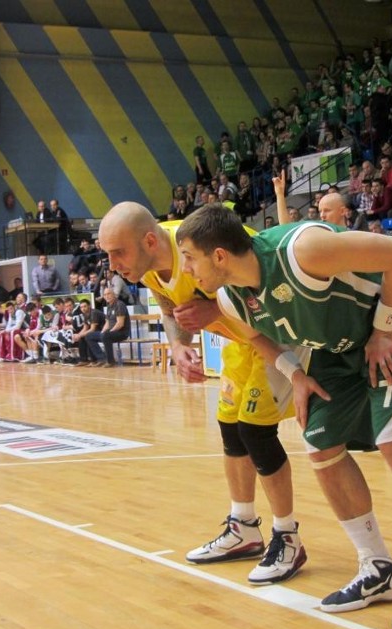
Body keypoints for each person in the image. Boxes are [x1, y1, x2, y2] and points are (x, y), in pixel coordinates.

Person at [176, 205, 392, 629]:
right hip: (336, 348)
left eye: (190, 257)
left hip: (391, 324)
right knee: (321, 446)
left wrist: (383, 330)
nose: (185, 268)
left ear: (218, 256)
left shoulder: (303, 250)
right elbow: (257, 337)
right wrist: (297, 376)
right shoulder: (232, 298)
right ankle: (378, 569)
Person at [97, 203, 307, 587]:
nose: (112, 264)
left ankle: (288, 537)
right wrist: (179, 345)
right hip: (241, 342)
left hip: (277, 336)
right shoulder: (145, 266)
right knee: (230, 428)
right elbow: (167, 304)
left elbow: (267, 284)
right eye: (107, 254)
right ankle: (244, 528)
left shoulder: (199, 242)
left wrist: (212, 309)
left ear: (149, 240)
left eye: (117, 253)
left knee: (256, 432)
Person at [85, 287, 130, 367]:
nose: (107, 296)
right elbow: (107, 322)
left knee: (105, 336)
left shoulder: (119, 305)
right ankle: (101, 359)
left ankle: (110, 361)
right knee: (89, 336)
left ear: (114, 295)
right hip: (110, 332)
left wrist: (108, 332)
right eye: (105, 295)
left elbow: (120, 324)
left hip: (121, 332)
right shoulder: (109, 306)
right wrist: (102, 332)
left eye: (109, 294)